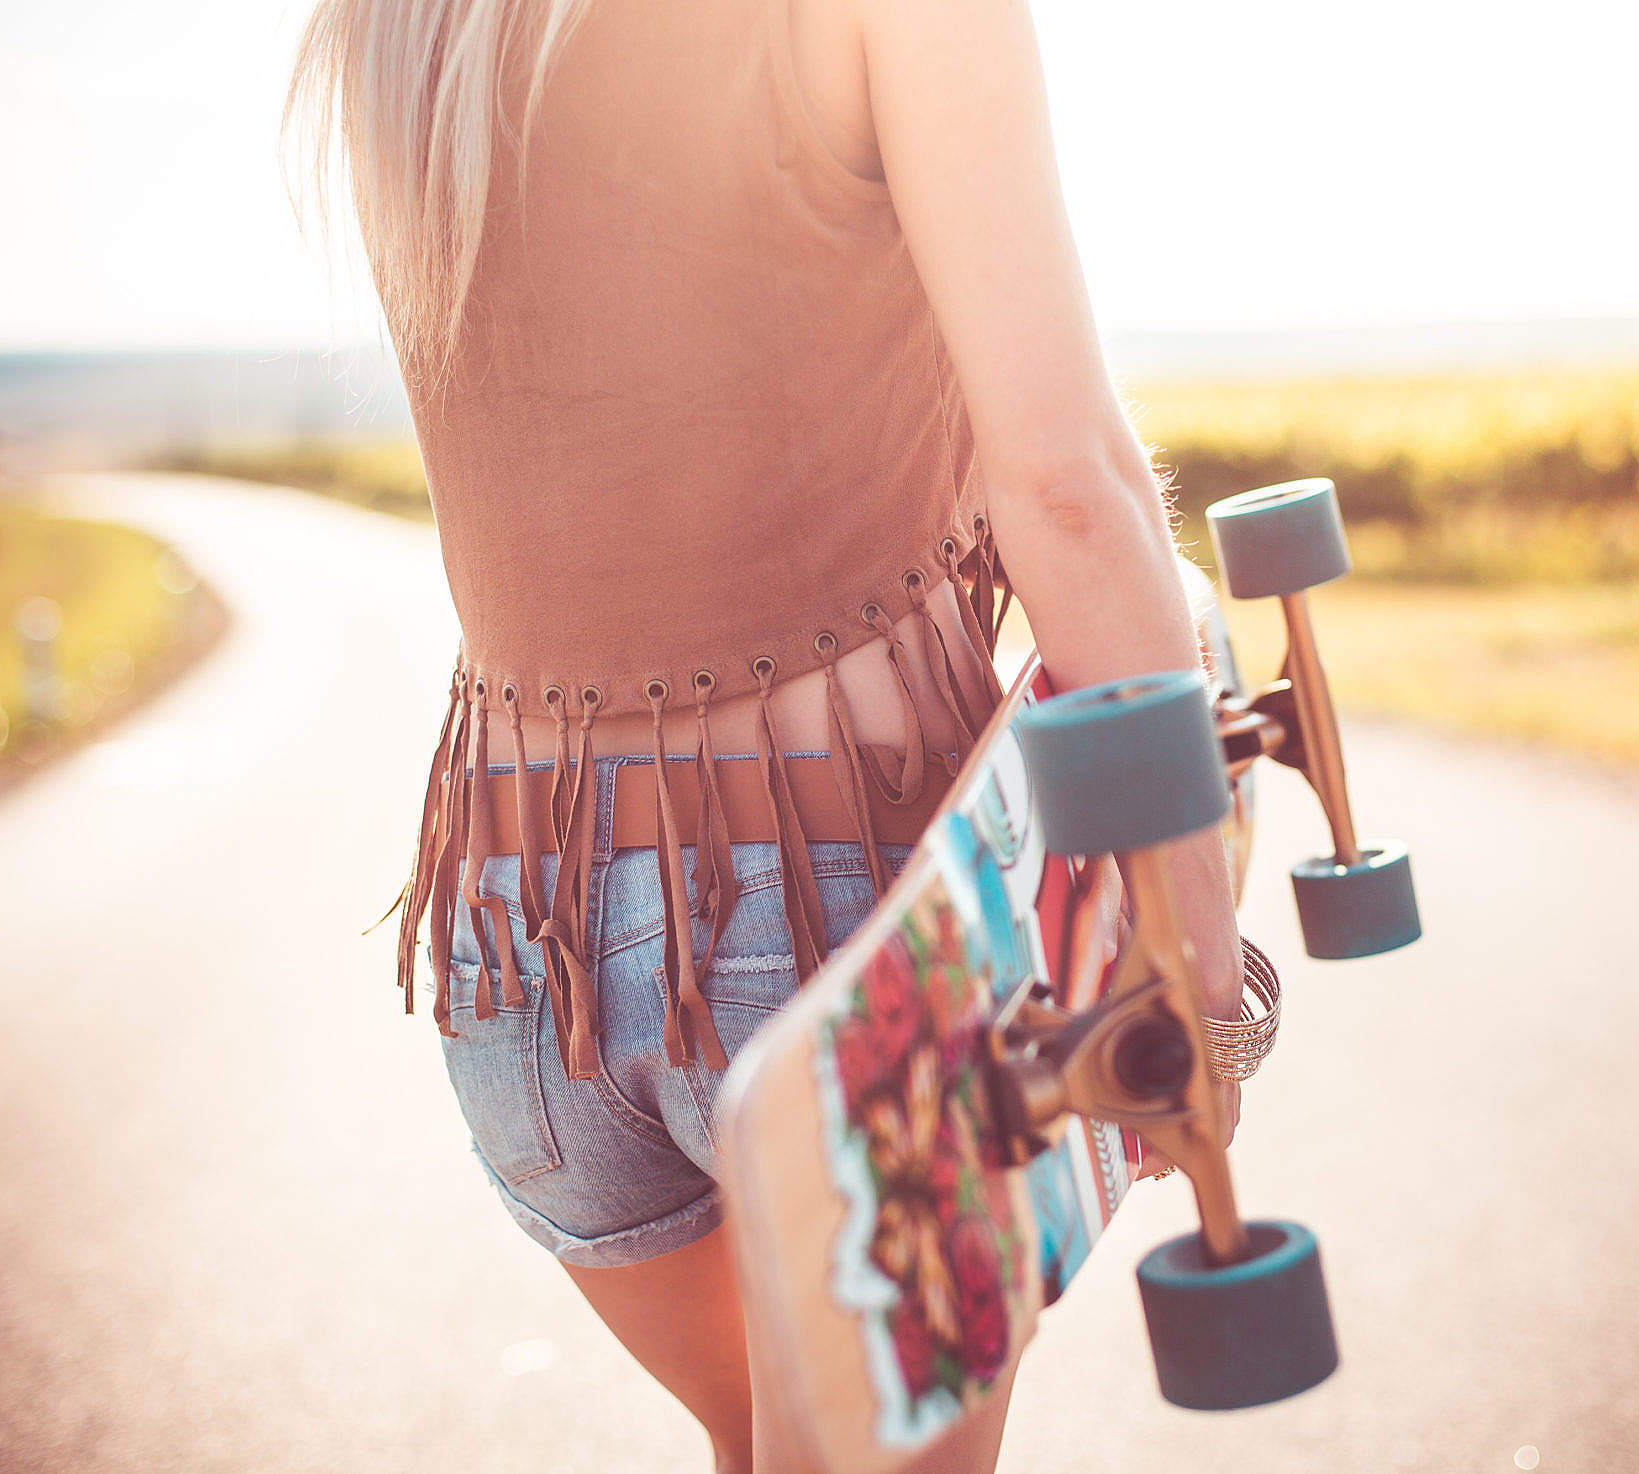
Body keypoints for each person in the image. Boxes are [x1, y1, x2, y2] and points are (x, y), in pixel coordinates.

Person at [290, 0, 1245, 1468]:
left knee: (761, 1445)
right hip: (829, 934)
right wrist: (1199, 972)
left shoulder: (396, 24)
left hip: (513, 951)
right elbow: (1066, 487)